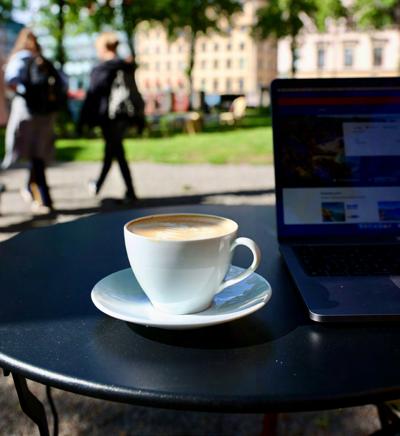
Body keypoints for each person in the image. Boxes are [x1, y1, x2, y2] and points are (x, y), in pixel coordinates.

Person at [2, 28, 65, 213]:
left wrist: (25, 93)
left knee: (19, 155)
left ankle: (42, 197)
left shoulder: (20, 58)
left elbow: (11, 80)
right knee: (38, 156)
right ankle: (36, 192)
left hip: (26, 112)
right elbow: (63, 82)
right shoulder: (43, 60)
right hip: (46, 114)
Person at [78, 31, 145, 203]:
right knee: (113, 151)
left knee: (116, 152)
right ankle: (102, 185)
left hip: (109, 117)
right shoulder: (126, 66)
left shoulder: (101, 69)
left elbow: (92, 96)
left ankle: (128, 191)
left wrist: (83, 121)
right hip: (124, 116)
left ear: (103, 48)